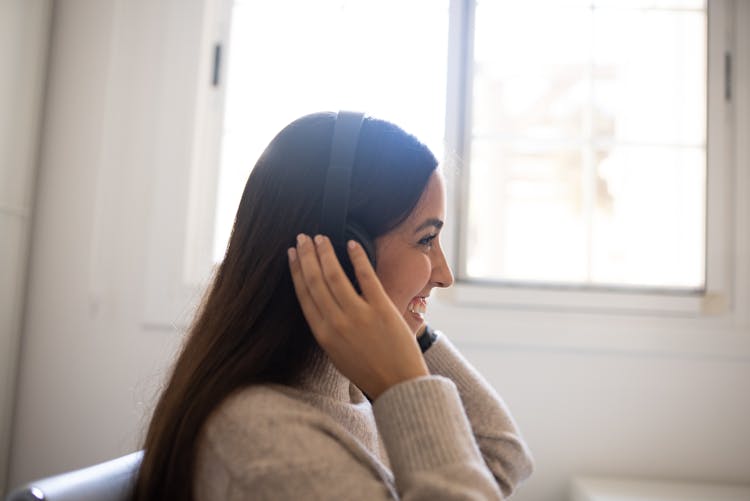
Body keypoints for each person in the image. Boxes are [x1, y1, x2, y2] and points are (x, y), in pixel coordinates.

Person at [133, 112, 533, 501]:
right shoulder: (265, 442)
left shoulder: (347, 390)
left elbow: (499, 458)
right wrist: (404, 384)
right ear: (343, 253)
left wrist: (406, 333)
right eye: (426, 240)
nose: (444, 274)